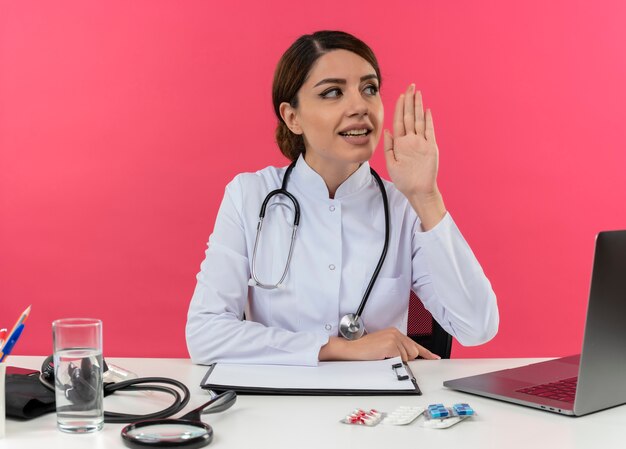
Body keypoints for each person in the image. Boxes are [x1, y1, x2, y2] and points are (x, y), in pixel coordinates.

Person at [186, 30, 498, 366]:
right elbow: (205, 333)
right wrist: (337, 348)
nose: (360, 106)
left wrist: (427, 196)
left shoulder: (405, 207)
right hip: (275, 405)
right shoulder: (249, 196)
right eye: (333, 92)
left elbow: (477, 328)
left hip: (381, 410)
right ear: (293, 117)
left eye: (370, 89)